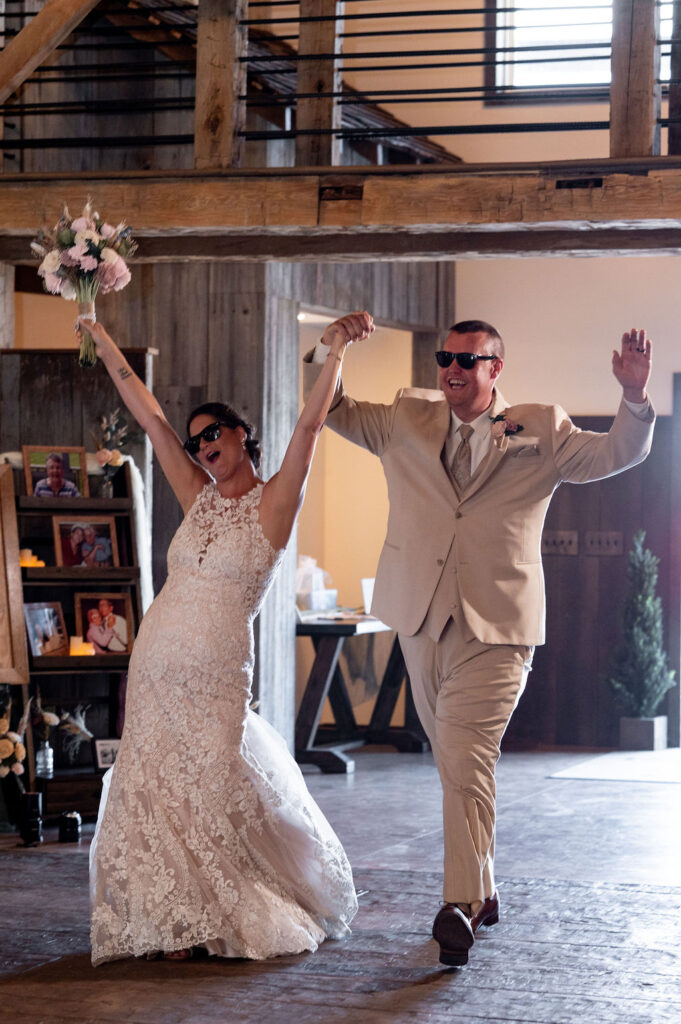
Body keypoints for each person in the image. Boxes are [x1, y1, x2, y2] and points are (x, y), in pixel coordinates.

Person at [303, 317, 654, 967]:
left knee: (464, 751)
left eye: (468, 360)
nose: (452, 369)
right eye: (445, 358)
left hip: (499, 626)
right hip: (419, 618)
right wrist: (331, 348)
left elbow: (616, 454)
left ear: (496, 368)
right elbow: (330, 407)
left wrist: (632, 397)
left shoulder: (540, 428)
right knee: (462, 765)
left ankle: (458, 904)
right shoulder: (405, 419)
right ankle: (485, 892)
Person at [81, 309, 374, 966]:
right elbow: (151, 418)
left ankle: (218, 910)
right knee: (156, 785)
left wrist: (336, 350)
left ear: (242, 433)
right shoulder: (198, 495)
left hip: (215, 670)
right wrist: (101, 338)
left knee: (210, 783)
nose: (202, 446)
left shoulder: (275, 502)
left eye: (213, 433)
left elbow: (309, 427)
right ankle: (172, 920)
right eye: (195, 443)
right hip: (156, 664)